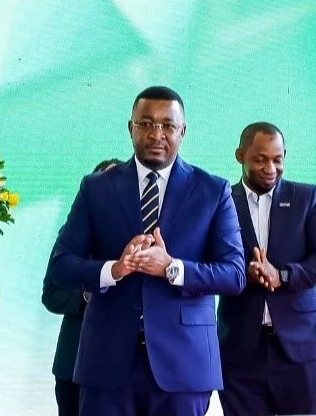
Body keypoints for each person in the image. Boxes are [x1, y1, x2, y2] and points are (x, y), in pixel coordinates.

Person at [47, 86, 245, 416]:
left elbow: (235, 274)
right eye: (146, 124)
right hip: (106, 364)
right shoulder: (96, 188)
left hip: (183, 365)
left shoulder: (212, 191)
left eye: (168, 125)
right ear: (131, 128)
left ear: (183, 131)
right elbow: (61, 265)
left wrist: (173, 267)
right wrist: (114, 269)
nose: (157, 134)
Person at [216, 122, 316, 416]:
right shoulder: (220, 200)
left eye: (278, 159)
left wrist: (282, 275)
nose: (271, 167)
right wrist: (240, 274)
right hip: (239, 348)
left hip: (299, 349)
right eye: (261, 159)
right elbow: (210, 264)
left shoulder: (305, 197)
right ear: (240, 155)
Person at [42, 158, 122, 416]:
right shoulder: (71, 235)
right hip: (73, 365)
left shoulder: (141, 237)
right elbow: (51, 295)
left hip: (123, 371)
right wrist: (88, 296)